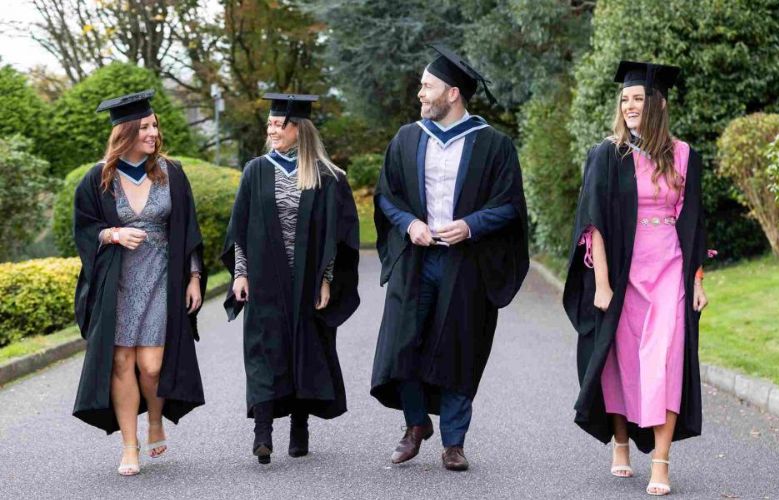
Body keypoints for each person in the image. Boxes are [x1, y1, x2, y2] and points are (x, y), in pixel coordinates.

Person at [370, 45, 528, 471]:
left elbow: (511, 204)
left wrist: (471, 225)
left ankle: (454, 443)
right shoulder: (407, 138)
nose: (420, 93)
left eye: (427, 86)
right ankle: (415, 423)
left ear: (452, 93)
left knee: (460, 346)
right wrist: (409, 224)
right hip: (416, 259)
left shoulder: (493, 145)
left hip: (466, 263)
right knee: (402, 343)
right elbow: (387, 195)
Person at [563, 61, 711, 496]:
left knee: (666, 359)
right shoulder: (608, 154)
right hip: (624, 269)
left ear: (658, 104)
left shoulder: (684, 155)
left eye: (638, 99)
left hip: (670, 267)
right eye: (624, 99)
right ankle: (621, 442)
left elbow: (695, 221)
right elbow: (594, 222)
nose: (629, 106)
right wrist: (602, 283)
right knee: (622, 359)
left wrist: (698, 279)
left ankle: (661, 463)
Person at [72, 89, 206, 476]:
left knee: (151, 366)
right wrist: (114, 234)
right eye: (145, 127)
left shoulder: (171, 172)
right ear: (126, 132)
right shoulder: (99, 178)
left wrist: (194, 276)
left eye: (154, 126)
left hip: (162, 276)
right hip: (117, 282)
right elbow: (84, 229)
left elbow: (188, 227)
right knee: (120, 362)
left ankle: (155, 421)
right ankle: (129, 446)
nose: (153, 133)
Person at [222, 93, 360, 465]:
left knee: (304, 351)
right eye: (269, 124)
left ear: (298, 129)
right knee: (263, 352)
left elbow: (338, 236)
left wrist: (326, 278)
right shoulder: (256, 170)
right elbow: (239, 227)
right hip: (264, 279)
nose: (271, 130)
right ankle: (262, 433)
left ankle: (300, 427)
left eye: (278, 124)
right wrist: (240, 273)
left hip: (307, 282)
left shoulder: (327, 176)